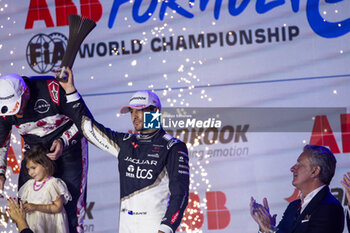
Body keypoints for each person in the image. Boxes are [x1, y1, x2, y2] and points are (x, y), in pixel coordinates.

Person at [58, 68, 189, 233]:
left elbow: (180, 194)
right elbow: (89, 128)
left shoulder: (173, 147)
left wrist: (167, 228)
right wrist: (70, 91)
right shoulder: (125, 143)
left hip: (156, 227)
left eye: (140, 110)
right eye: (132, 111)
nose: (134, 116)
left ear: (155, 112)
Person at [0, 73, 88, 233]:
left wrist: (64, 141)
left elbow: (84, 121)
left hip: (68, 145)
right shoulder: (3, 106)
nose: (17, 114)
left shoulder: (51, 88)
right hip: (35, 152)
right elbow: (1, 143)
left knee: (71, 206)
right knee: (23, 208)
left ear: (25, 92)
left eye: (18, 106)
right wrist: (0, 173)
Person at [250, 144, 344, 233]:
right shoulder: (293, 207)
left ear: (315, 171)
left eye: (299, 165)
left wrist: (270, 228)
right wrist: (263, 228)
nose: (292, 168)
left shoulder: (330, 208)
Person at [18, 145, 71, 233]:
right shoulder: (29, 185)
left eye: (33, 168)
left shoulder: (53, 183)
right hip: (34, 225)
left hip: (51, 225)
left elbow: (58, 207)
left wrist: (36, 207)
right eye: (28, 169)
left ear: (45, 165)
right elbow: (26, 204)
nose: (30, 172)